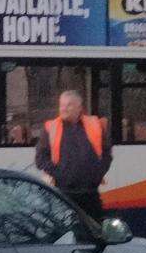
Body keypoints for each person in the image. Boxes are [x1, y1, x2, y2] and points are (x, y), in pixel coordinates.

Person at [35, 90, 112, 221]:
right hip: (63, 194)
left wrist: (97, 174)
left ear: (79, 108)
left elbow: (106, 154)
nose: (64, 109)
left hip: (90, 193)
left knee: (95, 233)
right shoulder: (50, 128)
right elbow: (40, 158)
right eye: (61, 105)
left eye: (69, 105)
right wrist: (61, 174)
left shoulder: (95, 124)